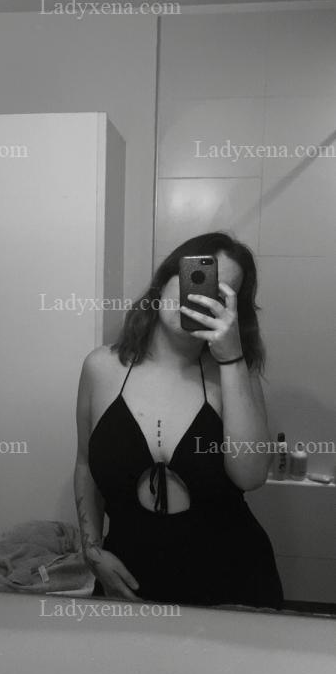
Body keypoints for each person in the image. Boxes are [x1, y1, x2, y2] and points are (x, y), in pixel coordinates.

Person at [74, 232, 284, 609]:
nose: (200, 297)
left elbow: (251, 476)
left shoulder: (235, 375)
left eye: (220, 293)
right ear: (166, 279)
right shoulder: (101, 367)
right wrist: (91, 550)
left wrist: (232, 359)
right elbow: (86, 465)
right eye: (197, 279)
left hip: (232, 581)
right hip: (129, 575)